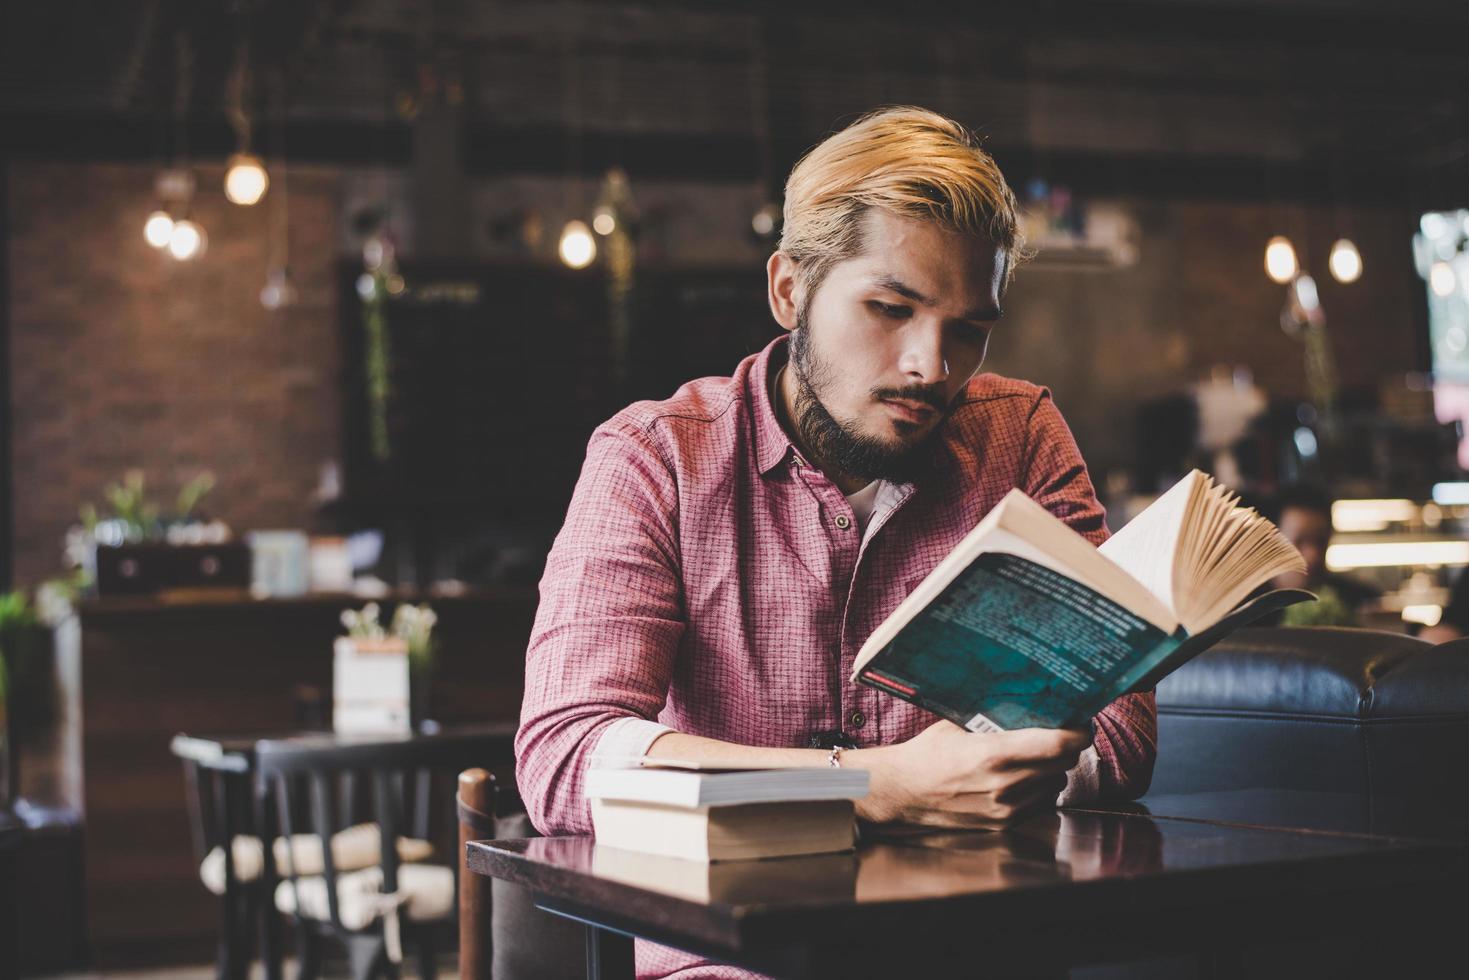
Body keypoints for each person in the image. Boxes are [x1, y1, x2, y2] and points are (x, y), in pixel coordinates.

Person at [516, 106, 1156, 979]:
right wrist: (879, 784)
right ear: (789, 291)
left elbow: (1117, 737)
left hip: (973, 951)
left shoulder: (1023, 440)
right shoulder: (657, 458)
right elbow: (563, 757)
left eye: (968, 327)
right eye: (889, 308)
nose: (932, 365)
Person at [1259, 484, 1378, 626]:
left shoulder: (1358, 600)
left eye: (1320, 541)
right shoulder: (1247, 615)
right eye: (1300, 541)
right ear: (1271, 543)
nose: (1313, 556)